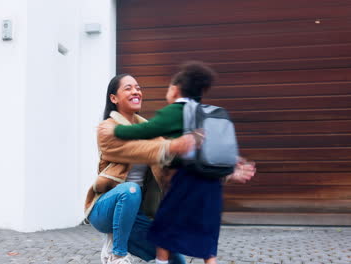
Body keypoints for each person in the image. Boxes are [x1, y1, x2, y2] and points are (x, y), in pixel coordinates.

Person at [85, 73, 256, 264]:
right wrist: (172, 146)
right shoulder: (107, 129)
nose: (136, 91)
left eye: (138, 88)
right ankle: (117, 253)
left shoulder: (150, 131)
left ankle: (119, 236)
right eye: (128, 88)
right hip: (104, 209)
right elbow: (137, 150)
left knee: (177, 260)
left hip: (137, 216)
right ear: (113, 98)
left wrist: (224, 172)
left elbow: (182, 164)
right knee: (130, 190)